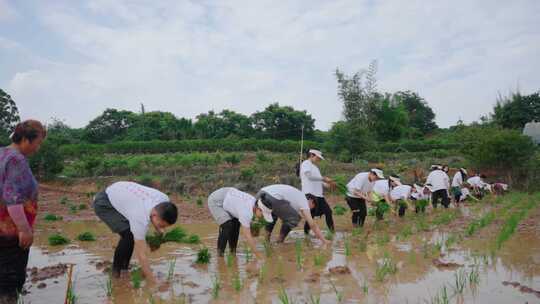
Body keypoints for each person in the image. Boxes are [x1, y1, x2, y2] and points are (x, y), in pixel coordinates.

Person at [93, 181, 178, 285]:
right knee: (128, 234)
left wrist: (158, 231)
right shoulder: (140, 218)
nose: (163, 229)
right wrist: (152, 282)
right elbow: (141, 255)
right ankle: (115, 274)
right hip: (104, 203)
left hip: (121, 191)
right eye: (162, 226)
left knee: (130, 234)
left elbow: (158, 218)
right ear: (155, 215)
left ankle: (124, 270)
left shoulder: (164, 200)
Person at [0, 120, 46, 303]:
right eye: (38, 142)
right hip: (9, 232)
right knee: (11, 280)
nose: (38, 147)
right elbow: (12, 199)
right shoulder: (17, 159)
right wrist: (24, 229)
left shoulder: (3, 153)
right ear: (26, 139)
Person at [207, 187, 273, 259]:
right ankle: (220, 256)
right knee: (227, 225)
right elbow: (247, 235)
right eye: (263, 214)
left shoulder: (255, 205)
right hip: (217, 200)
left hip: (230, 197)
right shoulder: (246, 212)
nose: (263, 217)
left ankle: (233, 253)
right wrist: (258, 255)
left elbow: (254, 230)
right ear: (258, 209)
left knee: (236, 224)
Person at [256, 184, 330, 244]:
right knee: (295, 219)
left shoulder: (295, 197)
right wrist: (324, 240)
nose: (310, 210)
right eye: (312, 208)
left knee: (273, 214)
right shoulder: (304, 201)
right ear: (311, 200)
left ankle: (266, 241)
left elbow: (283, 213)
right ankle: (280, 241)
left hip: (261, 193)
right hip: (273, 198)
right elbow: (312, 224)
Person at [300, 149, 335, 235]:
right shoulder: (305, 164)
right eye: (318, 158)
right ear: (312, 155)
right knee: (311, 215)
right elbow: (309, 176)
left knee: (328, 212)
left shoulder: (315, 167)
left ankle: (332, 233)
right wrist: (324, 178)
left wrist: (329, 185)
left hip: (319, 195)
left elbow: (320, 181)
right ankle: (306, 234)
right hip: (310, 194)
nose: (319, 160)